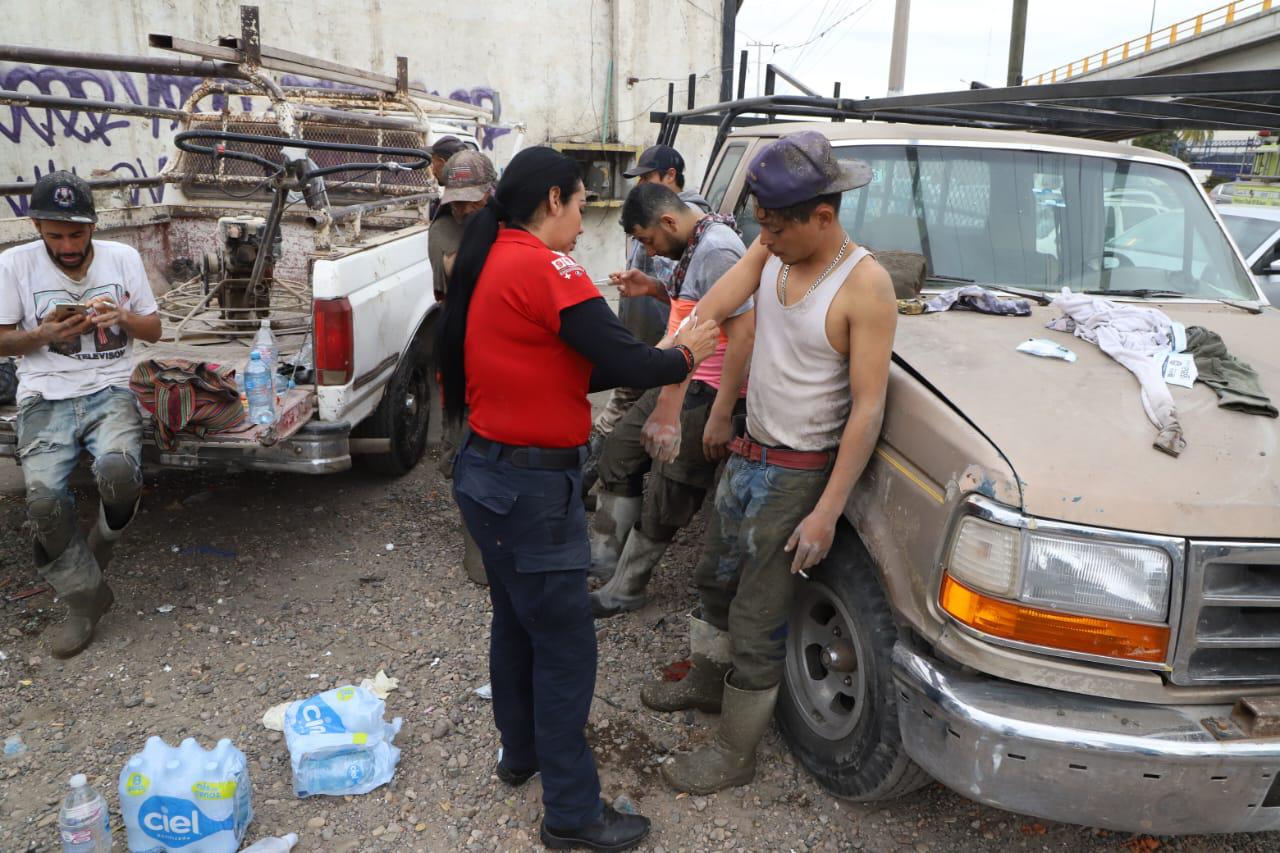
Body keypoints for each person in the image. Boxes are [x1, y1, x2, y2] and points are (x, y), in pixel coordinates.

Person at [437, 146, 719, 850]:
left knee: (515, 620)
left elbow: (561, 358)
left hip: (488, 475)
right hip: (528, 488)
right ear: (556, 200)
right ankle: (571, 812)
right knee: (564, 648)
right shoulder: (543, 264)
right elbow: (624, 356)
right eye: (582, 201)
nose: (585, 220)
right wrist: (687, 352)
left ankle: (521, 754)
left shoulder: (495, 253)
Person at [640, 132, 897, 796]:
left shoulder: (864, 286)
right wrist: (675, 383)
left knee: (759, 614)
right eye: (760, 223)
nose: (765, 237)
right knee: (713, 576)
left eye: (776, 225)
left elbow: (867, 409)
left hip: (797, 473)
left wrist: (827, 511)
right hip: (749, 455)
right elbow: (717, 306)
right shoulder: (772, 245)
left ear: (824, 215)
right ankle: (705, 680)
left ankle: (735, 751)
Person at [0, 171, 161, 658]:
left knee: (119, 473)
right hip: (44, 394)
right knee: (44, 504)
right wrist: (43, 335)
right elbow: (2, 337)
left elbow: (152, 330)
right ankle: (85, 599)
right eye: (55, 235)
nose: (67, 245)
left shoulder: (123, 258)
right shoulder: (14, 264)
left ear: (92, 226)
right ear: (36, 227)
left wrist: (121, 318)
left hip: (109, 388)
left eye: (77, 233)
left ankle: (102, 541)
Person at [587, 182, 754, 617]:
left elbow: (743, 336)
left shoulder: (718, 249)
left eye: (649, 241)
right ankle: (604, 559)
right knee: (619, 452)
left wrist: (722, 412)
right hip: (676, 374)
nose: (652, 250)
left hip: (707, 388)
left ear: (668, 221)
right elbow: (698, 307)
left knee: (671, 486)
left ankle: (626, 586)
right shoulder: (695, 244)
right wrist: (653, 288)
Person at [581, 145, 714, 493]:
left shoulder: (693, 229)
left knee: (617, 423)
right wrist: (649, 286)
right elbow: (674, 287)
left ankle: (586, 484)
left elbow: (691, 300)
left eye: (646, 177)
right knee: (623, 424)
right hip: (647, 345)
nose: (640, 185)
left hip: (662, 349)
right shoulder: (657, 219)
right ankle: (607, 488)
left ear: (670, 175)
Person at [429, 150, 498, 586]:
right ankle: (480, 560)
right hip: (464, 355)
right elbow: (457, 275)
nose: (465, 208)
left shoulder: (510, 220)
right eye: (458, 200)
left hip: (504, 355)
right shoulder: (443, 230)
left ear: (492, 191)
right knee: (467, 455)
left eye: (473, 199)